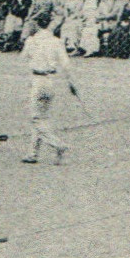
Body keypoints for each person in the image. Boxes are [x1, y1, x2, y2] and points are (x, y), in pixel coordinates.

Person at [21, 12, 76, 165]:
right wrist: (71, 83)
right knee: (41, 117)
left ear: (37, 24)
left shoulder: (32, 41)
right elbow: (66, 64)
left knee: (36, 119)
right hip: (51, 80)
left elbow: (24, 57)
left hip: (37, 80)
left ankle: (58, 144)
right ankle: (32, 153)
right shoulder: (56, 42)